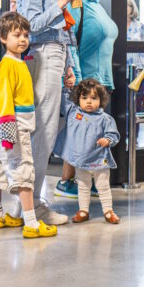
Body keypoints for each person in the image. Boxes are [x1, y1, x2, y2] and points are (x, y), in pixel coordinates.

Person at [16, 0, 79, 226]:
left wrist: (66, 63)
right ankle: (32, 203)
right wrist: (62, 1)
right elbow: (28, 26)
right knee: (42, 133)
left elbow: (57, 29)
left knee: (46, 132)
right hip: (42, 56)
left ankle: (27, 202)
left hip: (54, 55)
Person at [0, 12, 57, 239]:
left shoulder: (17, 62)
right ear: (3, 38)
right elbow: (2, 97)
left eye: (26, 35)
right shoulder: (9, 65)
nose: (23, 39)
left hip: (9, 128)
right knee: (24, 170)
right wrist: (9, 130)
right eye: (17, 35)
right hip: (14, 127)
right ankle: (31, 224)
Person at [55, 0, 118, 199]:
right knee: (79, 133)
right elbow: (70, 43)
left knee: (93, 135)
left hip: (102, 81)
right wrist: (80, 82)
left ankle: (85, 180)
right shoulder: (77, 4)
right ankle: (65, 181)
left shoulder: (96, 5)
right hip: (85, 82)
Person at [56, 79, 122, 224]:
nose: (89, 102)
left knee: (103, 187)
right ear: (78, 99)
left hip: (100, 161)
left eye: (94, 98)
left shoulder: (105, 119)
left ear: (101, 100)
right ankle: (83, 210)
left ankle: (108, 210)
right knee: (83, 186)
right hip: (81, 161)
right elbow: (64, 100)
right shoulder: (73, 113)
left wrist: (108, 140)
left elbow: (114, 135)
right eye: (84, 98)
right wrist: (66, 85)